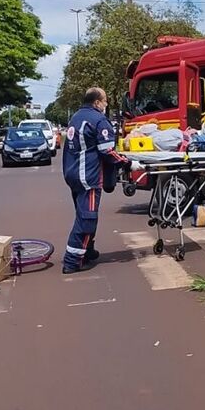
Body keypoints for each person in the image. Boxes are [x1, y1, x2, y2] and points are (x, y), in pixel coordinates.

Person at [62, 87, 130, 274]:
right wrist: (126, 162)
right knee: (87, 218)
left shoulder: (76, 117)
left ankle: (87, 250)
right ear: (97, 102)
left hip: (72, 174)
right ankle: (73, 261)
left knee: (83, 213)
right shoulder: (99, 120)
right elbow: (107, 151)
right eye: (105, 101)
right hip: (88, 178)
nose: (106, 104)